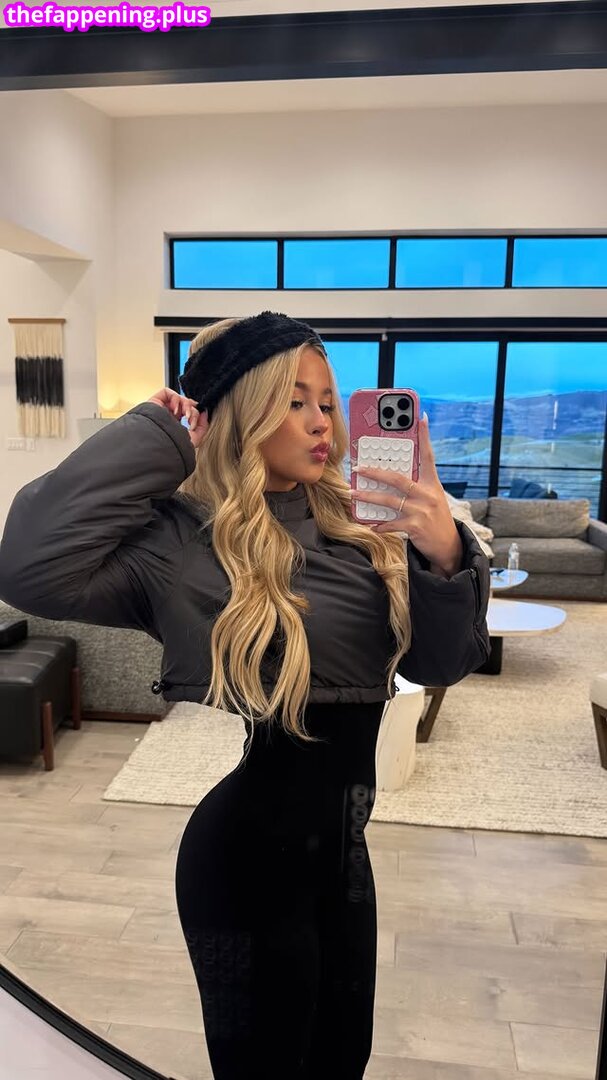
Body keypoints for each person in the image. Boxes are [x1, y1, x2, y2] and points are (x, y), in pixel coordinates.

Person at [0, 311, 490, 1080]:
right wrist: (160, 432)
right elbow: (27, 568)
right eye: (293, 401)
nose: (321, 422)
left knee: (341, 1060)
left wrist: (443, 553)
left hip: (342, 861)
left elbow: (442, 662)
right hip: (242, 867)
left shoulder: (362, 531)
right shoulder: (181, 544)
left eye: (326, 401)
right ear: (240, 412)